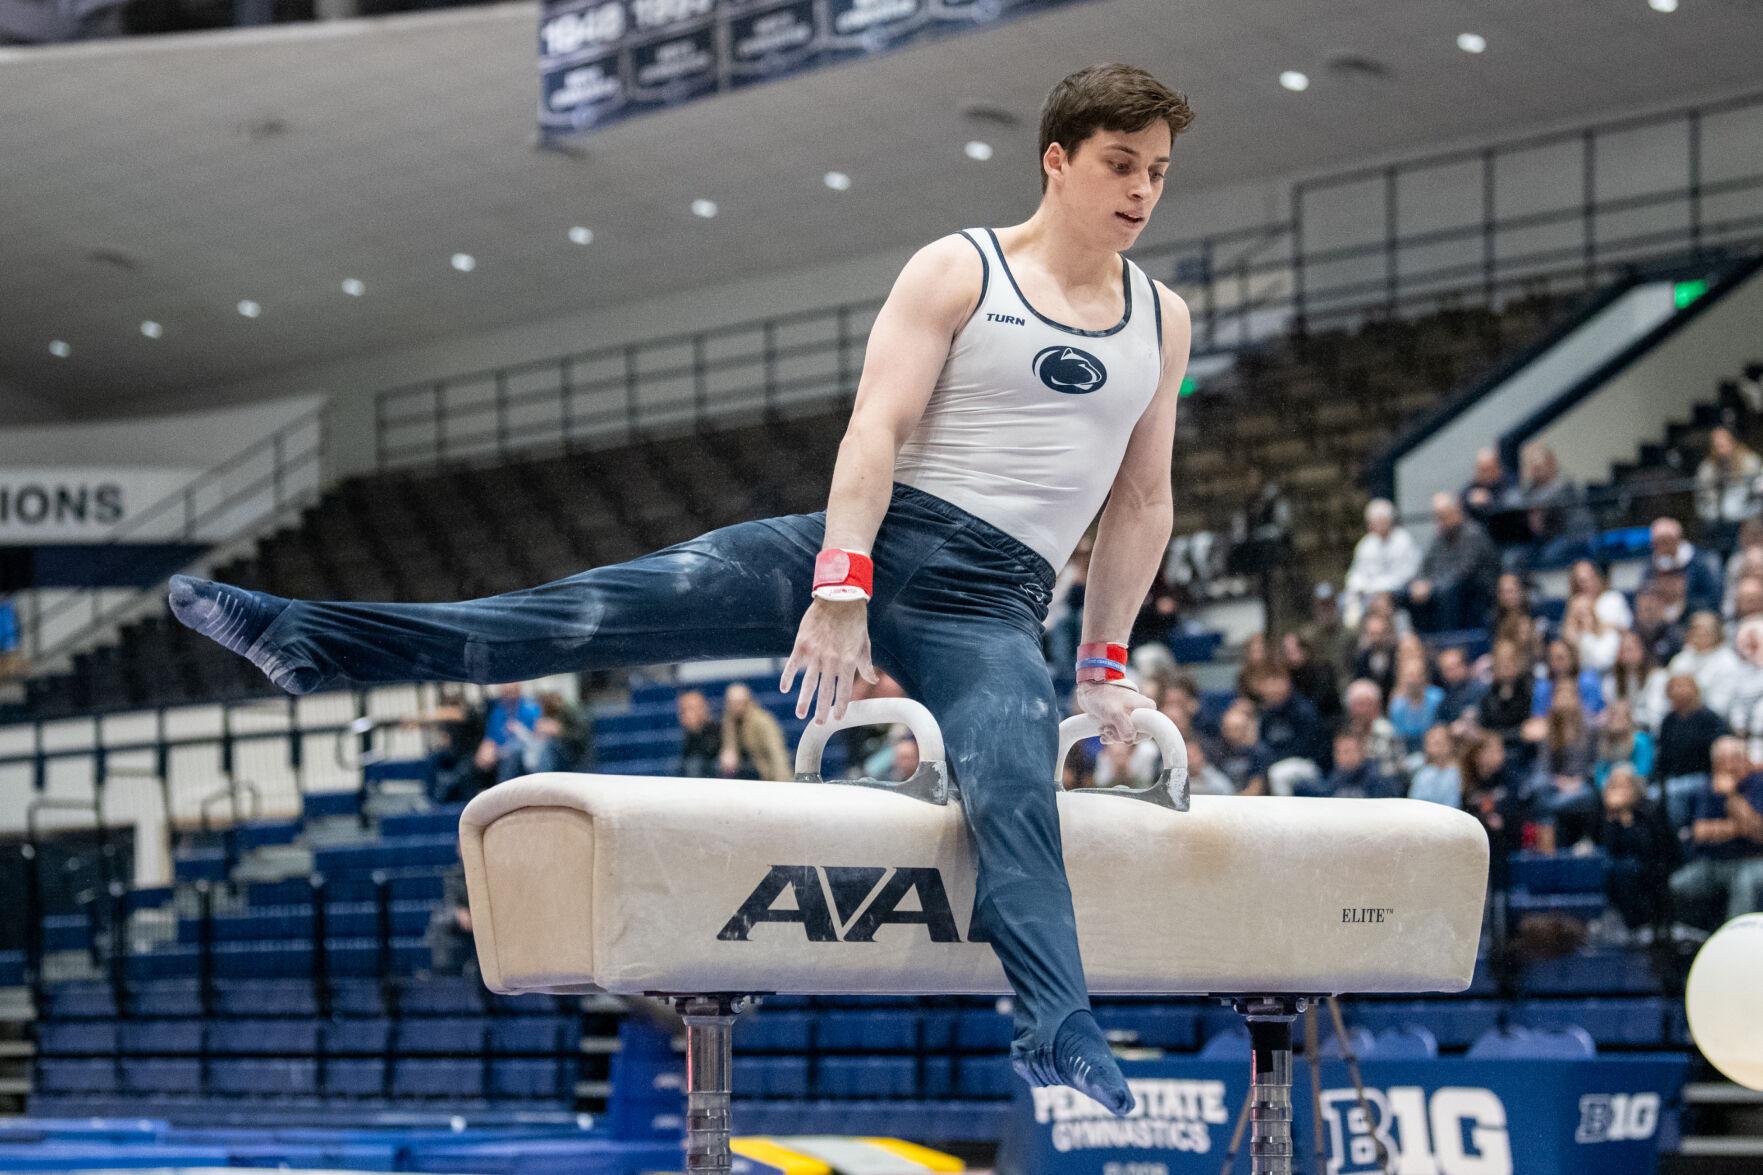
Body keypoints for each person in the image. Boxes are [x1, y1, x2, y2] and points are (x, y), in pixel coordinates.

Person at [163, 63, 1197, 1115]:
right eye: (1119, 164)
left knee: (1014, 787)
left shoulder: (1159, 320)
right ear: (1056, 160)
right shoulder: (958, 270)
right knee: (579, 612)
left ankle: (1056, 1025)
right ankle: (312, 639)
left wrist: (1103, 664)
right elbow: (872, 430)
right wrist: (840, 583)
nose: (1140, 190)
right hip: (860, 544)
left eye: (1157, 171)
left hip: (990, 606)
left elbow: (1142, 500)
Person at [1668, 736, 1763, 929]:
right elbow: (1700, 831)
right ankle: (1692, 937)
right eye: (1721, 760)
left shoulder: (1757, 784)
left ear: (1745, 758)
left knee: (1744, 886)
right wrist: (1739, 827)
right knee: (1678, 884)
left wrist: (1731, 796)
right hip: (1716, 861)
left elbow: (1759, 832)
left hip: (1752, 860)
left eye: (1734, 758)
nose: (1728, 765)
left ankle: (1735, 944)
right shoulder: (1708, 785)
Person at [1595, 765, 1679, 942]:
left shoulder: (1650, 809)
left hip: (1653, 867)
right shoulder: (1604, 813)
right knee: (1608, 867)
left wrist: (1627, 818)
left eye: (1624, 785)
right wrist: (1613, 817)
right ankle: (1611, 922)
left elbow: (1649, 849)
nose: (1619, 792)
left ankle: (1638, 925)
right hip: (1619, 868)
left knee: (1626, 869)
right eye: (1615, 786)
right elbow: (1607, 847)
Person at [1406, 493, 1500, 633]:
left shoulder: (1473, 534)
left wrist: (1431, 586)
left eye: (1444, 516)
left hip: (1475, 591)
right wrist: (1419, 582)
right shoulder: (1440, 538)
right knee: (1407, 593)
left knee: (1446, 591)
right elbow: (1425, 566)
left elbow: (1464, 571)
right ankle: (1421, 639)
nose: (1440, 522)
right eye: (1437, 517)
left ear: (1457, 512)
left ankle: (1448, 640)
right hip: (1442, 586)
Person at [1652, 675, 1726, 829]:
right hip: (1673, 777)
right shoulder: (1668, 721)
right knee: (1651, 794)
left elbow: (1719, 751)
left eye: (1684, 686)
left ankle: (1679, 833)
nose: (1679, 691)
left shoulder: (1709, 718)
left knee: (1674, 792)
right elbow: (1662, 755)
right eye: (1675, 687)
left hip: (1702, 775)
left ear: (1695, 690)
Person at [1342, 499, 1420, 626]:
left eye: (1381, 521)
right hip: (1369, 592)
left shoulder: (1403, 540)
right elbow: (1357, 572)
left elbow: (1407, 573)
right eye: (1374, 522)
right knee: (1349, 600)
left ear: (1390, 521)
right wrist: (1358, 585)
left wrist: (1379, 588)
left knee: (1384, 599)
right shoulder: (1366, 544)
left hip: (1396, 591)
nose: (1378, 526)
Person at [1667, 611, 1747, 717]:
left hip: (1712, 721)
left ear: (1717, 633)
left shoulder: (1728, 661)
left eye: (1706, 630)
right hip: (1679, 718)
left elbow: (1720, 705)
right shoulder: (1681, 659)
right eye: (1695, 629)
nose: (1700, 633)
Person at [1640, 517, 1721, 621]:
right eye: (1657, 543)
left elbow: (1712, 600)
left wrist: (1685, 603)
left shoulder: (1699, 563)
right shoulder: (1651, 566)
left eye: (1666, 542)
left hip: (1692, 619)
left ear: (1677, 540)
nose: (1661, 548)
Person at [1694, 426, 1761, 548]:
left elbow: (1758, 496)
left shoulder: (1750, 462)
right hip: (1716, 522)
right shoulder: (1707, 468)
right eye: (1716, 443)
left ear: (1732, 441)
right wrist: (1713, 515)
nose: (1719, 446)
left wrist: (1745, 513)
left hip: (1746, 519)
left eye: (1723, 441)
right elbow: (1701, 501)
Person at [718, 683, 791, 781]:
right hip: (746, 770)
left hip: (765, 773)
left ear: (747, 702)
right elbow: (730, 749)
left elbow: (776, 752)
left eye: (738, 703)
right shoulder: (729, 721)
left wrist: (782, 781)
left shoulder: (763, 721)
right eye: (731, 703)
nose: (735, 707)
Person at [1606, 629, 1669, 734]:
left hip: (1647, 732)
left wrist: (1626, 715)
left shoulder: (1658, 677)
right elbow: (1609, 712)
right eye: (1623, 650)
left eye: (1631, 649)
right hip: (1620, 733)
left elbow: (1655, 716)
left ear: (1642, 650)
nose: (1627, 655)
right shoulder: (1611, 681)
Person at [1463, 447, 1524, 544]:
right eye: (1481, 470)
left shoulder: (1510, 482)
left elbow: (1510, 509)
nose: (1485, 474)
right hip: (1485, 541)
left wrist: (1489, 501)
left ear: (1498, 467)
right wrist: (1469, 501)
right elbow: (1461, 504)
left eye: (1488, 469)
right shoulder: (1472, 488)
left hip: (1511, 538)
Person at [1280, 630, 1342, 726]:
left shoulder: (1323, 671)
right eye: (1286, 650)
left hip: (1324, 722)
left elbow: (1317, 703)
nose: (1290, 654)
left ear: (1305, 650)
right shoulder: (1284, 675)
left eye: (1294, 650)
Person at [1211, 701, 1273, 796]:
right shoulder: (1218, 750)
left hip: (1249, 802)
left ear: (1246, 728)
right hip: (1223, 797)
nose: (1231, 734)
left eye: (1236, 729)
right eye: (1227, 729)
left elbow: (1256, 788)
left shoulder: (1259, 752)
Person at [1314, 731, 1400, 799]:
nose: (1344, 757)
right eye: (1339, 752)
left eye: (1348, 751)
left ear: (1362, 752)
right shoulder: (1334, 779)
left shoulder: (1378, 780)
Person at [1387, 657, 1443, 754]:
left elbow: (1441, 728)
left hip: (1435, 750)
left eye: (1418, 675)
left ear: (1425, 676)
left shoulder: (1438, 698)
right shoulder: (1396, 706)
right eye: (1410, 675)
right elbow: (1398, 736)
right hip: (1406, 752)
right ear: (1402, 678)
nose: (1414, 680)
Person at [1408, 725, 1462, 807]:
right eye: (1430, 739)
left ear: (1449, 744)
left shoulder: (1455, 772)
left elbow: (1452, 805)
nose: (1432, 741)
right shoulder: (1417, 763)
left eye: (1438, 742)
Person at [1434, 646, 1487, 726]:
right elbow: (1440, 721)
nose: (1453, 673)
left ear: (1466, 665)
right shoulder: (1447, 697)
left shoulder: (1482, 690)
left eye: (1456, 667)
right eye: (1447, 669)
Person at [675, 689, 721, 777]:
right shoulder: (687, 737)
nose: (686, 715)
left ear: (704, 708)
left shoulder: (718, 729)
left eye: (691, 709)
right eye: (683, 711)